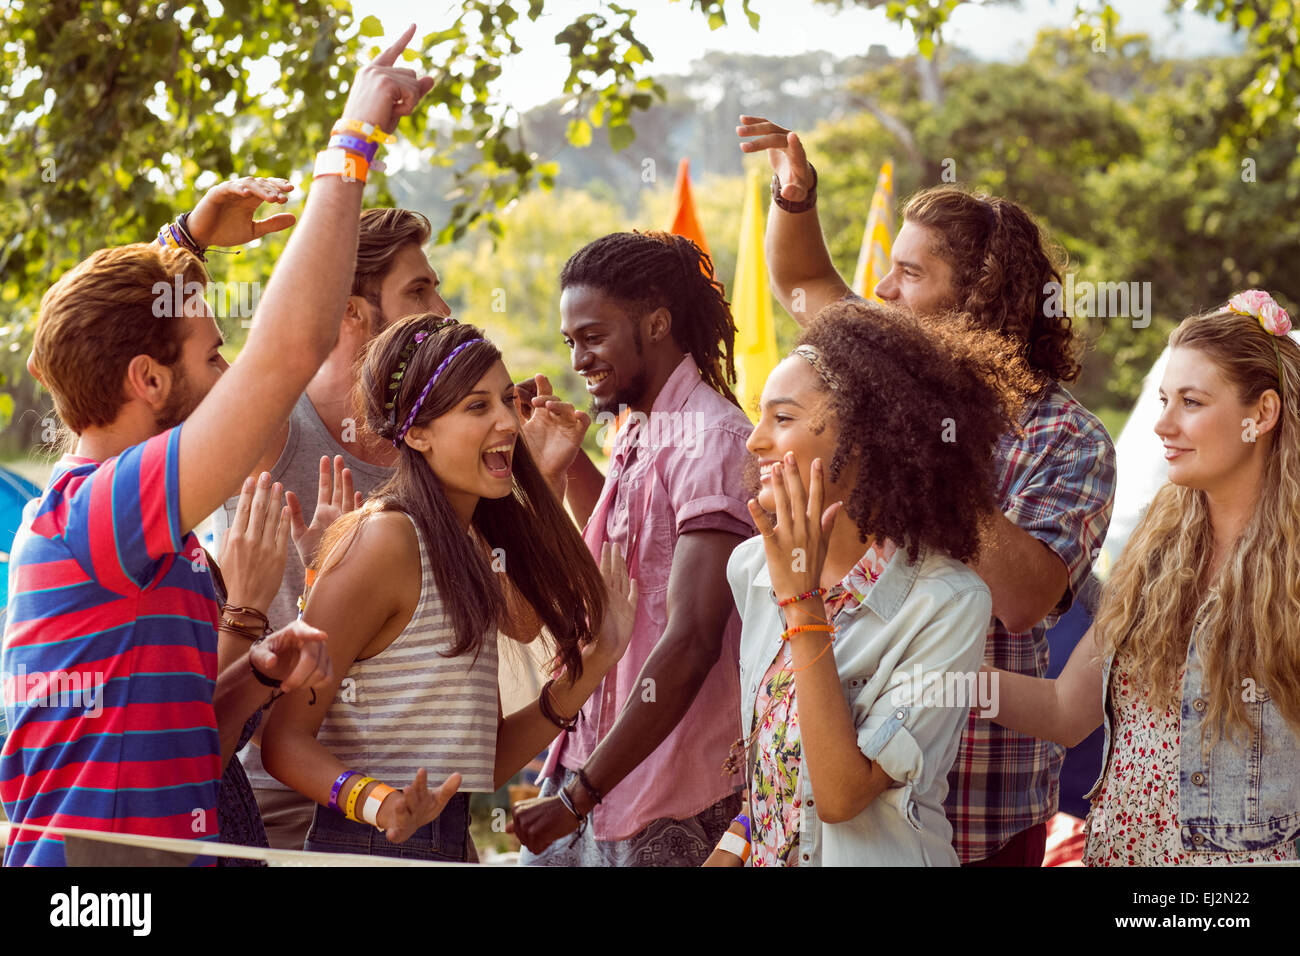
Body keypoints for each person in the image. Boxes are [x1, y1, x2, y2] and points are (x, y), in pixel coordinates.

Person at [0, 25, 434, 867]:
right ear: (149, 384)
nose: (231, 368)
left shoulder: (127, 529)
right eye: (209, 356)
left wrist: (258, 675)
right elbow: (290, 348)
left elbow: (191, 750)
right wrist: (352, 144)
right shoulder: (99, 510)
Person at [737, 116, 1116, 866]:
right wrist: (795, 193)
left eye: (910, 274)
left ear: (983, 294)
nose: (881, 290)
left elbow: (1024, 600)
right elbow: (803, 285)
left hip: (984, 803)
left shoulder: (1068, 439)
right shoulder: (882, 384)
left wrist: (935, 448)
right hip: (839, 779)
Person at [260, 316, 637, 860]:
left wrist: (598, 660)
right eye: (477, 406)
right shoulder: (386, 540)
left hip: (447, 844)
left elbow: (480, 764)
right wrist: (380, 803)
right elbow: (285, 741)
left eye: (507, 400)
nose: (509, 421)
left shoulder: (471, 546)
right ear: (416, 433)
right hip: (369, 846)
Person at [705, 298, 1035, 866]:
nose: (754, 439)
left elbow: (838, 796)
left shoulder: (947, 601)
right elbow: (777, 771)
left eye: (782, 419)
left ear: (862, 440)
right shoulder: (752, 567)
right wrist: (728, 853)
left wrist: (802, 604)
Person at [986, 293, 1300, 866]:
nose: (1163, 424)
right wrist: (941, 682)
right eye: (1163, 400)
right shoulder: (1159, 541)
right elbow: (1064, 710)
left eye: (1192, 402)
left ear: (1263, 414)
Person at [194, 203, 448, 851]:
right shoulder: (275, 431)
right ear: (351, 313)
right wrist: (190, 239)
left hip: (409, 808)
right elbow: (127, 329)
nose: (443, 310)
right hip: (278, 804)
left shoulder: (435, 451)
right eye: (419, 290)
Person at [512, 231, 756, 866]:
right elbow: (624, 567)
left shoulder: (712, 440)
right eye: (571, 342)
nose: (578, 360)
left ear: (656, 323)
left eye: (593, 337)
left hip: (667, 784)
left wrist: (579, 797)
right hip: (599, 764)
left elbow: (693, 637)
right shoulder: (640, 426)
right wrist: (559, 466)